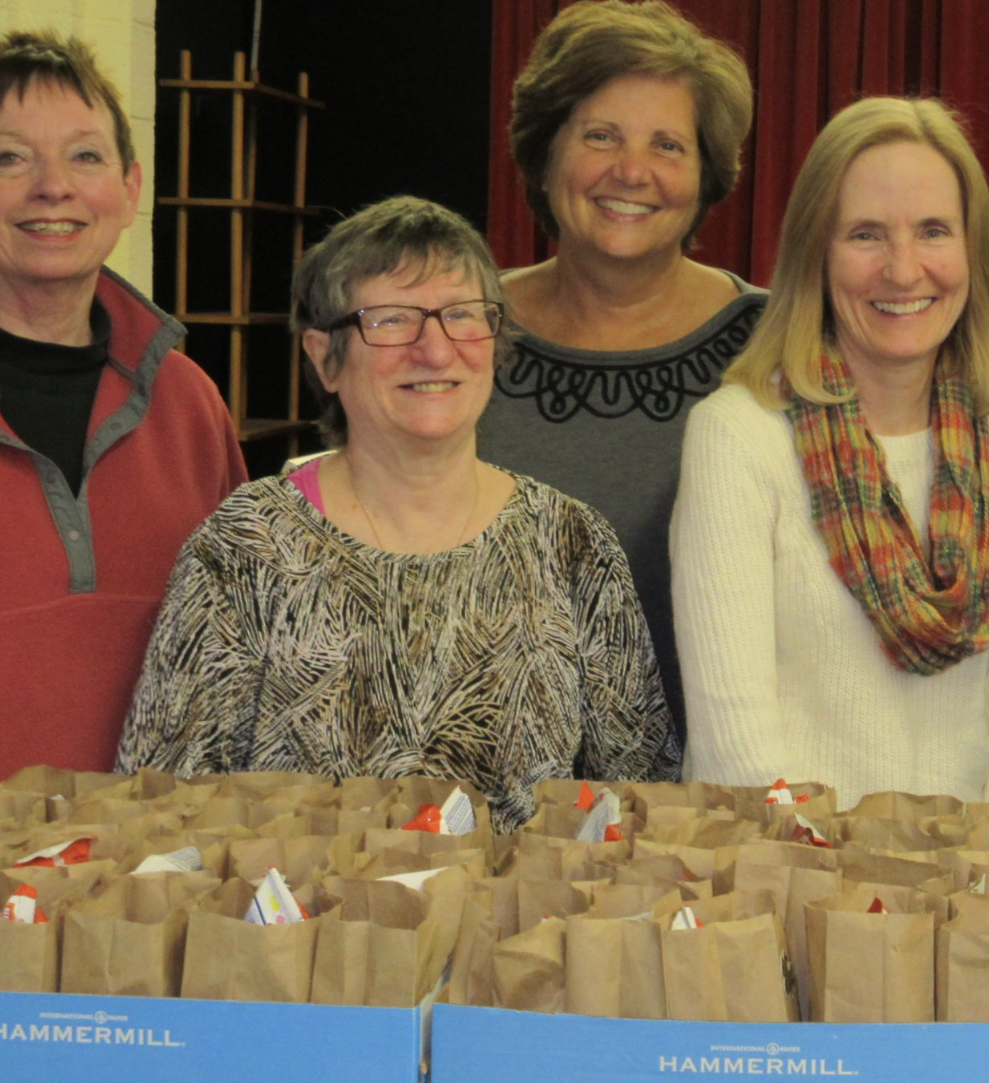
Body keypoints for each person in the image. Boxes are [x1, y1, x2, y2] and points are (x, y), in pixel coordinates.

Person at [115, 197, 678, 830]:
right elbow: (163, 812)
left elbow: (638, 801)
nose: (435, 351)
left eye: (463, 316)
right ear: (325, 357)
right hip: (306, 926)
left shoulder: (572, 542)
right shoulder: (246, 547)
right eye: (390, 321)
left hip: (526, 926)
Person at [0, 31, 244, 798]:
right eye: (11, 158)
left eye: (85, 157)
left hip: (149, 893)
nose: (54, 187)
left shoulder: (191, 407)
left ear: (131, 187)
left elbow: (239, 663)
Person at [671, 98, 989, 817]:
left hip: (970, 893)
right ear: (815, 254)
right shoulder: (736, 438)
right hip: (789, 890)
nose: (903, 269)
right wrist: (844, 911)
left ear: (971, 252)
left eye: (934, 231)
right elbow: (735, 741)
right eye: (866, 235)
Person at [483, 0, 763, 743]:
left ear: (706, 175)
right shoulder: (452, 334)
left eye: (668, 146)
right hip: (474, 798)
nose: (632, 171)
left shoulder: (778, 347)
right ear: (546, 155)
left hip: (719, 799)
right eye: (601, 136)